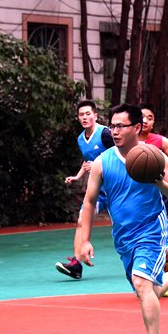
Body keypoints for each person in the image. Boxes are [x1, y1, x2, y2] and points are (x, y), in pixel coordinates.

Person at [76, 103, 168, 334]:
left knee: (142, 284)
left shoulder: (154, 157)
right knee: (148, 291)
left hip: (152, 230)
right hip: (124, 237)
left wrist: (159, 182)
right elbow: (90, 201)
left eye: (121, 126)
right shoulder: (102, 162)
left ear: (137, 127)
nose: (115, 131)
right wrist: (84, 239)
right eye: (112, 126)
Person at [56, 100, 114, 279]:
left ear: (95, 116)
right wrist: (77, 176)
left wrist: (97, 165)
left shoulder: (105, 134)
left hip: (115, 188)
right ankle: (76, 265)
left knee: (125, 227)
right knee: (82, 220)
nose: (85, 117)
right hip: (97, 190)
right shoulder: (81, 139)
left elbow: (120, 155)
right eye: (81, 115)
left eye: (88, 114)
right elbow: (87, 161)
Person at [139, 103, 168, 297]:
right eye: (142, 116)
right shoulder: (127, 142)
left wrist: (163, 175)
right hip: (138, 199)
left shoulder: (160, 141)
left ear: (153, 122)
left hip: (158, 195)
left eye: (149, 118)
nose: (145, 120)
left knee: (157, 236)